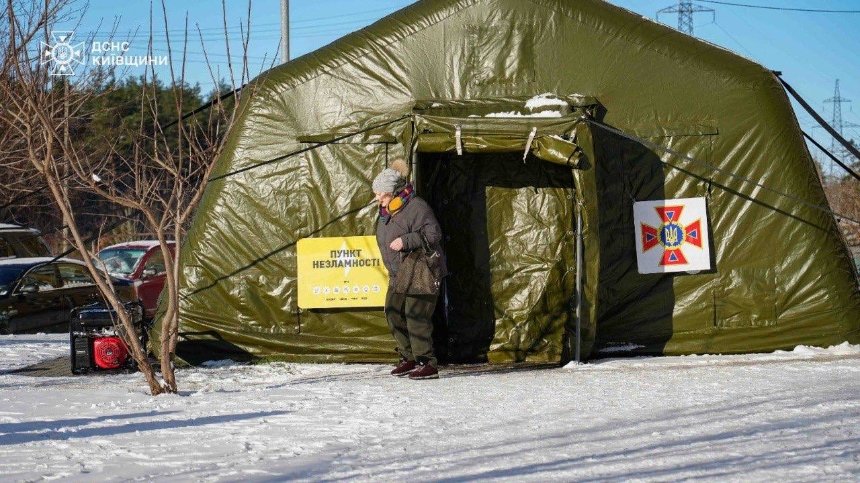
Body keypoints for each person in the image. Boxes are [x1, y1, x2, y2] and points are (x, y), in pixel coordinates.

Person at [373, 158, 446, 380]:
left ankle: (427, 363)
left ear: (395, 192)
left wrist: (406, 241)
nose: (378, 198)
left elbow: (434, 234)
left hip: (421, 269)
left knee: (416, 316)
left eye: (382, 194)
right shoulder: (387, 212)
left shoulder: (416, 207)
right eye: (376, 194)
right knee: (392, 312)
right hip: (398, 272)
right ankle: (409, 357)